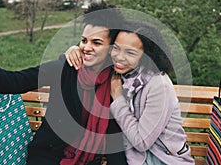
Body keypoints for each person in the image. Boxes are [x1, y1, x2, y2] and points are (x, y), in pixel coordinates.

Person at [0, 1, 127, 165]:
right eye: (84, 40)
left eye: (96, 42)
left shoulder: (116, 82)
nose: (86, 47)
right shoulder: (65, 68)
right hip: (48, 155)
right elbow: (14, 81)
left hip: (89, 159)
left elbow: (115, 140)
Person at [66, 20, 195, 164]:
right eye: (116, 48)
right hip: (131, 159)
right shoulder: (121, 73)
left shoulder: (159, 86)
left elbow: (141, 142)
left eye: (130, 52)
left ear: (146, 56)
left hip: (163, 159)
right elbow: (94, 52)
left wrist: (118, 99)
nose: (119, 57)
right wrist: (74, 50)